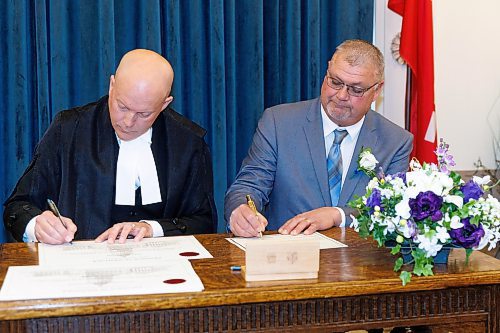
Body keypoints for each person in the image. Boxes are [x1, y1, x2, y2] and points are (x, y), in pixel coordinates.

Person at [4, 49, 217, 244]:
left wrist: (151, 228)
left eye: (144, 114)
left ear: (164, 104)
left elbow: (203, 221)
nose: (128, 121)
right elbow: (17, 207)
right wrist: (37, 226)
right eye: (122, 106)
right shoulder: (68, 130)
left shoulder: (188, 142)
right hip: (81, 271)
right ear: (112, 85)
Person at [225, 39, 413, 237]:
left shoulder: (395, 141)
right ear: (326, 74)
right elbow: (249, 185)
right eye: (335, 82)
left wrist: (338, 215)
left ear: (376, 91)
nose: (341, 95)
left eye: (356, 90)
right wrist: (240, 210)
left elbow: (391, 212)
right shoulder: (279, 123)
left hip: (359, 263)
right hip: (290, 256)